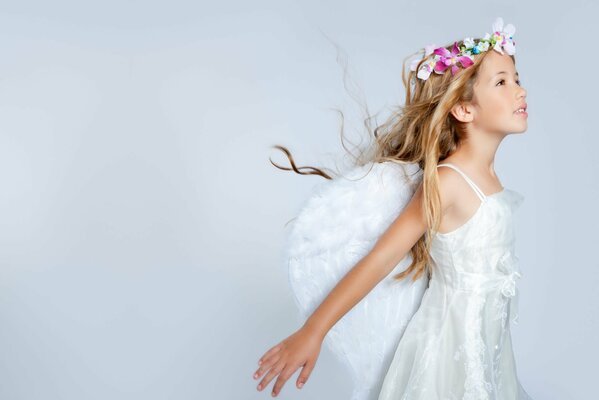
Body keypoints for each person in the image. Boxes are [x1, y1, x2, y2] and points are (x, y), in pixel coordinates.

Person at [253, 17, 533, 399]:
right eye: (502, 82)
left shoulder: (488, 177)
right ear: (464, 110)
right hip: (449, 354)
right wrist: (313, 331)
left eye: (516, 78)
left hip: (488, 352)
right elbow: (381, 259)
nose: (520, 91)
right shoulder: (450, 181)